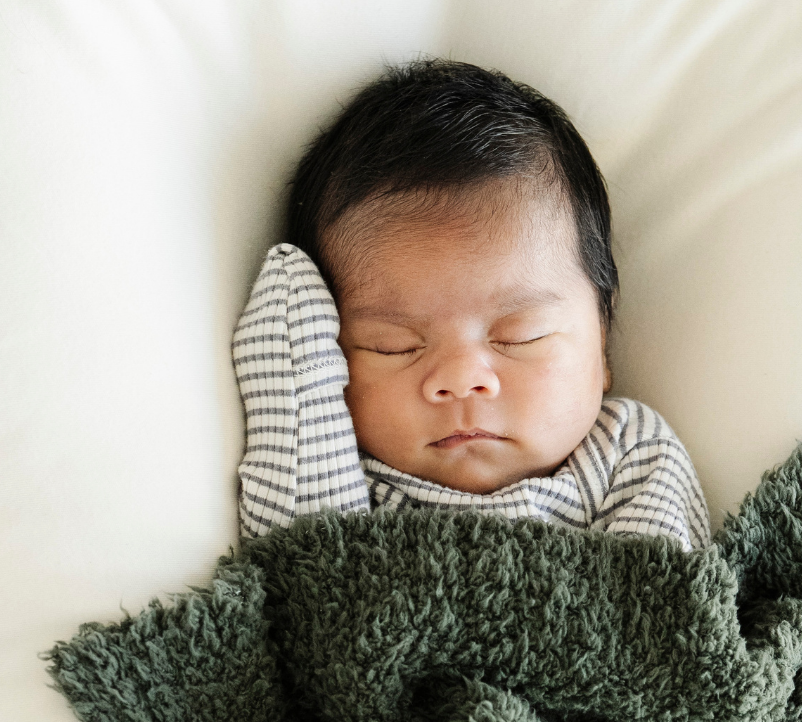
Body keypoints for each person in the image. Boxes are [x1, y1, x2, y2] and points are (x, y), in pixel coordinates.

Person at [235, 58, 713, 549]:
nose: (462, 380)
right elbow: (300, 571)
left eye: (519, 335)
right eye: (392, 346)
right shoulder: (345, 472)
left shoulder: (626, 453)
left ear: (602, 338)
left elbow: (665, 601)